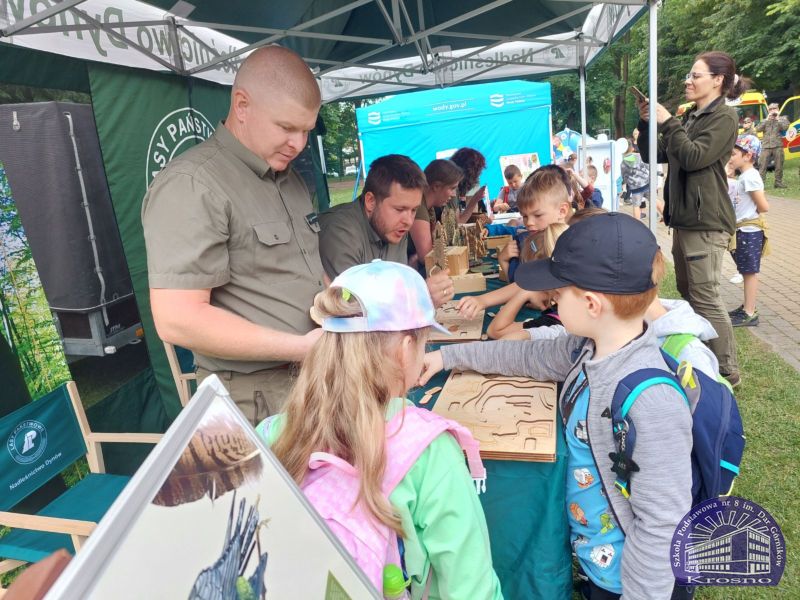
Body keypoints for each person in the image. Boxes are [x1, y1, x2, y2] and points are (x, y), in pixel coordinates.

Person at [421, 213, 693, 600]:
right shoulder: (586, 348)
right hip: (599, 565)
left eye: (557, 293)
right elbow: (522, 357)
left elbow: (663, 525)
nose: (549, 299)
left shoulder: (652, 401)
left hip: (630, 583)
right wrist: (447, 359)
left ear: (591, 304)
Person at [257, 260, 503, 600]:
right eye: (424, 342)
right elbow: (470, 587)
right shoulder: (430, 451)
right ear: (405, 351)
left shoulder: (272, 432)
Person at [142, 45, 325, 424]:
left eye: (306, 130)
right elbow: (177, 319)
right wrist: (301, 347)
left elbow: (305, 270)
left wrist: (344, 303)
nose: (299, 143)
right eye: (287, 127)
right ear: (242, 105)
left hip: (314, 379)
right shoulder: (192, 185)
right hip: (253, 399)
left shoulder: (290, 181)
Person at [638, 50, 749, 387]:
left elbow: (692, 157)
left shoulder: (724, 117)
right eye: (689, 74)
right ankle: (703, 354)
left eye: (695, 75)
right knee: (688, 290)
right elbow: (652, 154)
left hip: (707, 221)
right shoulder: (693, 117)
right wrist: (646, 123)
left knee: (704, 296)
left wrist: (668, 122)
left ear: (718, 80)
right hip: (686, 220)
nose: (688, 80)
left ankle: (727, 370)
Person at [318, 154, 454, 307]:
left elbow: (396, 287)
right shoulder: (340, 232)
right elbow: (354, 309)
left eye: (414, 210)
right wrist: (419, 298)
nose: (409, 221)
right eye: (400, 209)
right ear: (370, 201)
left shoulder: (396, 227)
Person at [458, 165, 572, 319]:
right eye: (525, 216)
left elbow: (523, 285)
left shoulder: (566, 245)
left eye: (538, 215)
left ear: (562, 211)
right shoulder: (535, 239)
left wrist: (483, 300)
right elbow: (523, 282)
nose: (529, 223)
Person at [728, 134, 769, 327]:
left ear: (748, 156)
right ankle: (747, 306)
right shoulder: (744, 177)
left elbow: (763, 206)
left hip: (750, 231)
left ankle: (750, 312)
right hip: (743, 230)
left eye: (734, 153)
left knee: (749, 272)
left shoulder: (750, 177)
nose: (730, 157)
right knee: (745, 270)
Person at [408, 159, 463, 270]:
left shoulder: (429, 207)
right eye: (452, 188)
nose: (453, 195)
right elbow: (427, 257)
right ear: (436, 186)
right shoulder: (419, 206)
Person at [756, 102, 790, 188]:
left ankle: (778, 183)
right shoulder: (765, 120)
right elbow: (758, 129)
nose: (772, 111)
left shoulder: (783, 119)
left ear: (778, 109)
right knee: (762, 165)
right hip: (766, 146)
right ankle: (761, 184)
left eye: (774, 109)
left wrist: (778, 119)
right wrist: (767, 119)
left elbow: (785, 127)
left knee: (779, 165)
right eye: (770, 109)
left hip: (778, 145)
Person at [450, 147, 488, 223]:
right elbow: (459, 223)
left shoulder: (454, 187)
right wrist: (475, 199)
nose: (477, 179)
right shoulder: (452, 188)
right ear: (470, 173)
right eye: (477, 174)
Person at [620, 139, 650, 219]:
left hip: (635, 188)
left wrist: (628, 183)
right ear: (632, 148)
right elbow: (647, 166)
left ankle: (637, 224)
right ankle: (666, 216)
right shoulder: (639, 156)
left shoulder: (623, 163)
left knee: (636, 206)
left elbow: (624, 176)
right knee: (655, 200)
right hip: (646, 183)